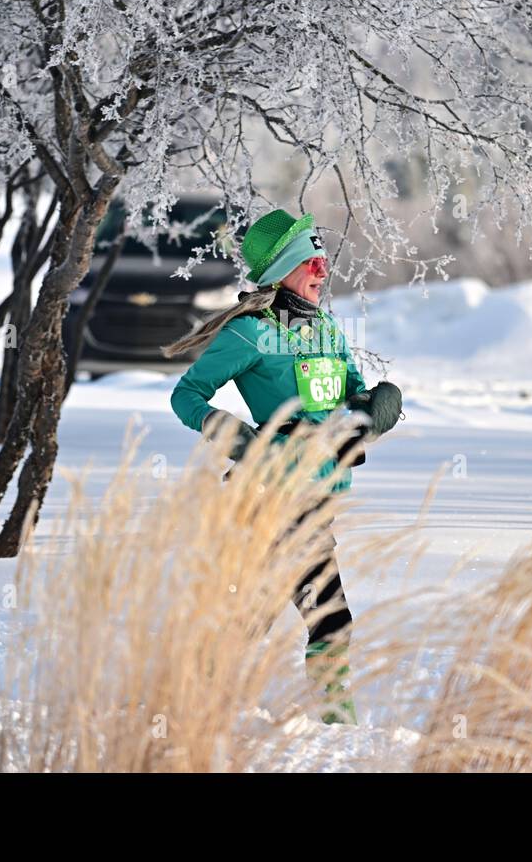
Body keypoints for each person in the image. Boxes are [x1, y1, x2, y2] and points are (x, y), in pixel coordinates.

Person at [164, 208, 403, 725]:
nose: (323, 269)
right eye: (311, 260)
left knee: (253, 614)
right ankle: (339, 726)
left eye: (322, 259)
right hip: (272, 495)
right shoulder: (249, 333)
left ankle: (195, 702)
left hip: (317, 495)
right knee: (330, 618)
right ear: (283, 271)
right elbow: (186, 395)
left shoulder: (326, 329)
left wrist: (376, 409)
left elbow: (352, 394)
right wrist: (241, 440)